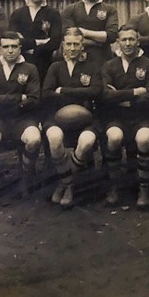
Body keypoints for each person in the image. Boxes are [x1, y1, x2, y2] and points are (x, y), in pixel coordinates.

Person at [100, 24, 149, 208]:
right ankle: (115, 186)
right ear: (118, 42)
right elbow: (105, 95)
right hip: (116, 116)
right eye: (124, 39)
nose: (128, 43)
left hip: (142, 116)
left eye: (131, 39)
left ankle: (144, 189)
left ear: (138, 41)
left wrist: (122, 98)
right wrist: (135, 92)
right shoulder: (109, 65)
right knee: (114, 137)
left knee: (144, 139)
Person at [41, 28, 102, 209]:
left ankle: (65, 184)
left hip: (87, 118)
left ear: (82, 46)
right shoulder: (55, 67)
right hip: (58, 117)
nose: (73, 48)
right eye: (69, 44)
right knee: (54, 138)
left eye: (76, 44)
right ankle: (69, 184)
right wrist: (80, 93)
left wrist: (64, 90)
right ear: (63, 45)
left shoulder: (92, 67)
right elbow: (46, 93)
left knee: (86, 141)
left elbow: (96, 91)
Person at [0, 31, 43, 191]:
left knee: (34, 139)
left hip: (23, 118)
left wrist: (4, 100)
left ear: (20, 48)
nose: (10, 50)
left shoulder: (30, 68)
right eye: (6, 47)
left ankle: (27, 172)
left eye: (14, 46)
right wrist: (19, 98)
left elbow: (34, 99)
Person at [61, 0, 119, 71]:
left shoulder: (110, 9)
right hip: (76, 60)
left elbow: (111, 36)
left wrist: (83, 32)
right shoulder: (70, 10)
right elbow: (68, 37)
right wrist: (99, 42)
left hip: (102, 60)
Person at [8, 0, 62, 83]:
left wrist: (33, 49)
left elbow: (55, 41)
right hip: (21, 62)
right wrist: (38, 42)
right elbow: (13, 40)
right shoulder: (17, 14)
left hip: (44, 63)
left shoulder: (53, 14)